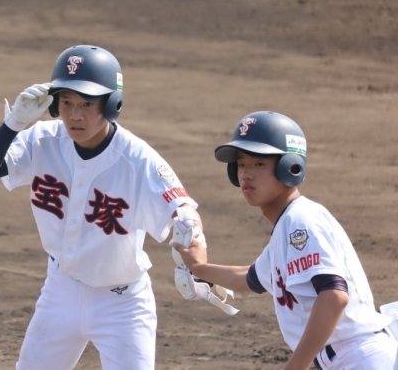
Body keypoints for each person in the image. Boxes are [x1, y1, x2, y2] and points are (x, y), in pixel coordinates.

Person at [0, 45, 231, 369]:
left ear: (111, 104)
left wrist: (196, 252)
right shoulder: (42, 140)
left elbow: (186, 215)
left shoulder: (138, 160)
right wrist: (13, 123)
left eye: (87, 103)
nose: (75, 115)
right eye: (66, 102)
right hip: (59, 292)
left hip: (122, 305)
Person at [171, 111, 398, 370]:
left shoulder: (301, 219)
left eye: (258, 164)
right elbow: (250, 277)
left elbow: (334, 296)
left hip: (361, 358)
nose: (246, 174)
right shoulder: (286, 227)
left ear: (290, 167)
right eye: (241, 164)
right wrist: (200, 268)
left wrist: (294, 367)